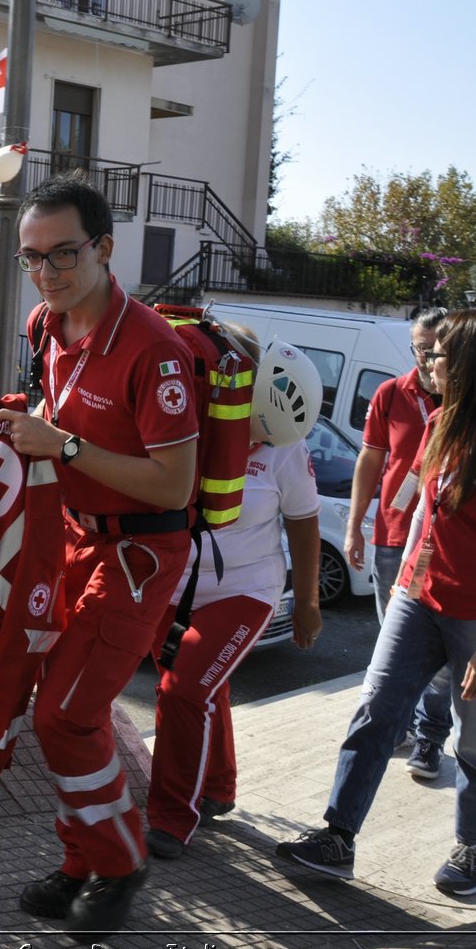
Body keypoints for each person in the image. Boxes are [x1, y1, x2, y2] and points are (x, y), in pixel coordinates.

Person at [277, 309, 476, 897]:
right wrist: (402, 578)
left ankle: (473, 848)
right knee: (375, 709)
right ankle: (336, 837)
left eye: (441, 355)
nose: (428, 362)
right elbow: (426, 510)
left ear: (474, 365)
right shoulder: (441, 422)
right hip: (418, 600)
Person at [0, 174, 199, 941]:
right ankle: (82, 861)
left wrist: (66, 443)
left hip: (140, 552)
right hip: (76, 538)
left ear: (105, 249)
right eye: (32, 258)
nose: (47, 273)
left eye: (63, 254)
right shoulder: (44, 328)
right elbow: (53, 421)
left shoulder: (155, 347)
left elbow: (172, 481)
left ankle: (118, 862)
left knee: (67, 713)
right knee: (58, 705)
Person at [145, 330, 324, 859]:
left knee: (182, 692)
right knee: (203, 688)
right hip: (172, 587)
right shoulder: (184, 421)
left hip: (247, 589)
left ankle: (173, 816)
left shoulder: (286, 448)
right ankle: (218, 788)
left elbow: (305, 522)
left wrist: (308, 604)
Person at [346, 308, 453, 780]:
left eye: (435, 349)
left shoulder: (467, 403)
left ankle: (430, 737)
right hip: (393, 536)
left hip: (449, 543)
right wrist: (354, 527)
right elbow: (369, 463)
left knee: (442, 645)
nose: (427, 358)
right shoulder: (391, 394)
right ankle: (405, 728)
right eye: (419, 348)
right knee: (396, 640)